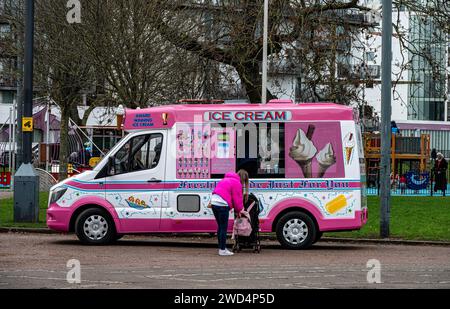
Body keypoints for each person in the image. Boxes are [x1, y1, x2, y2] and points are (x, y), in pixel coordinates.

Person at [210, 170, 248, 256]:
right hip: (222, 204)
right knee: (224, 227)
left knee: (220, 226)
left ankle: (221, 248)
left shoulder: (224, 180)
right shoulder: (237, 183)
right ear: (242, 179)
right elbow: (237, 199)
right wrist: (240, 210)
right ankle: (222, 250)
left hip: (214, 202)